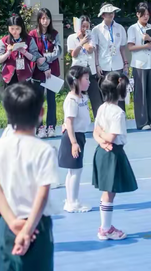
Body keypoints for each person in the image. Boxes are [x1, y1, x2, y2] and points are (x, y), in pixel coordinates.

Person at [0, 83, 58, 270]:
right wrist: (27, 230)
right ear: (41, 112)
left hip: (7, 223)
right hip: (37, 225)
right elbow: (42, 195)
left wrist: (12, 223)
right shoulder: (44, 150)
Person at [92, 72, 138, 241]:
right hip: (113, 153)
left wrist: (101, 141)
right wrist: (105, 140)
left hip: (103, 150)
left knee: (108, 192)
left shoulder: (102, 107)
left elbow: (95, 132)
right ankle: (105, 229)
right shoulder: (117, 112)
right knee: (109, 193)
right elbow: (111, 136)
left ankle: (105, 227)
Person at [58, 65, 92, 213]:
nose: (89, 81)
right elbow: (69, 122)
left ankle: (71, 199)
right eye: (86, 79)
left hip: (80, 135)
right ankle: (72, 202)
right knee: (75, 171)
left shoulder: (83, 97)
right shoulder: (72, 99)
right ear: (76, 81)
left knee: (74, 171)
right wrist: (73, 143)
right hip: (73, 137)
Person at [29, 8, 62, 139]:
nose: (45, 21)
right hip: (38, 72)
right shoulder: (32, 35)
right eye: (42, 18)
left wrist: (47, 60)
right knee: (38, 101)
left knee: (51, 100)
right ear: (38, 20)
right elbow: (34, 52)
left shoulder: (54, 33)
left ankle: (51, 126)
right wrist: (44, 67)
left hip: (52, 72)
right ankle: (40, 127)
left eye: (47, 18)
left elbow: (58, 51)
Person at [127, 2, 151, 131]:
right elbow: (130, 47)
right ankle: (142, 122)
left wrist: (150, 40)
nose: (146, 17)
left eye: (147, 14)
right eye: (143, 14)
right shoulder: (133, 29)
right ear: (138, 15)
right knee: (140, 93)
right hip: (139, 64)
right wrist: (145, 46)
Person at [67, 15, 103, 117]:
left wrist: (84, 39)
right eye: (83, 26)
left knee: (96, 97)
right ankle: (75, 119)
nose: (85, 29)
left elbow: (90, 49)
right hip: (77, 71)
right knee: (77, 97)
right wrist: (81, 41)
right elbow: (73, 54)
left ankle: (99, 121)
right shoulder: (71, 37)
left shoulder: (91, 37)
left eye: (87, 26)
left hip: (90, 69)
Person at [0, 15, 47, 87]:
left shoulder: (29, 40)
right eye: (12, 29)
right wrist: (8, 52)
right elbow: (0, 60)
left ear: (22, 28)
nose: (14, 31)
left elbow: (35, 58)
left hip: (25, 75)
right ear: (8, 28)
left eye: (17, 29)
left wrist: (24, 52)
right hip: (9, 76)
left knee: (26, 97)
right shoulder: (4, 41)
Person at [92, 3, 129, 83]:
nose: (111, 14)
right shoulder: (96, 30)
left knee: (118, 91)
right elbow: (96, 49)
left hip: (118, 64)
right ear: (103, 15)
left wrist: (125, 63)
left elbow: (122, 48)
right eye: (108, 13)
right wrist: (97, 65)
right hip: (103, 65)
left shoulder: (120, 28)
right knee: (105, 90)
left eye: (113, 12)